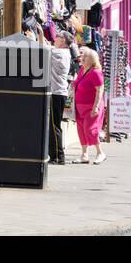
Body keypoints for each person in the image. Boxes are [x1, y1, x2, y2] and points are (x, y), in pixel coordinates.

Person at [72, 48, 107, 164]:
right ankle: (84, 155)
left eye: (85, 57)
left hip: (91, 106)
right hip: (79, 106)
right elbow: (77, 83)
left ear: (92, 60)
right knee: (81, 129)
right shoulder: (82, 69)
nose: (82, 58)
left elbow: (100, 90)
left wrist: (96, 107)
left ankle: (100, 152)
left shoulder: (96, 73)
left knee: (90, 130)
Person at [47, 30, 74, 165]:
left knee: (54, 125)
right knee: (52, 125)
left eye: (57, 37)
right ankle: (53, 154)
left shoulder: (61, 53)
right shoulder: (62, 52)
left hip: (56, 93)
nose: (55, 38)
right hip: (57, 93)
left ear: (63, 41)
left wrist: (35, 36)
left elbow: (45, 50)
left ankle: (58, 157)